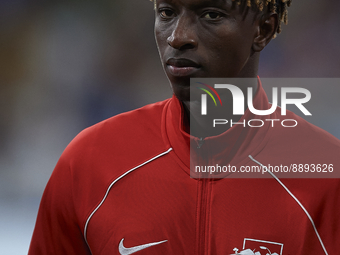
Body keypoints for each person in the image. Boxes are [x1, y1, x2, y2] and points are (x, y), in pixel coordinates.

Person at [29, 0, 340, 254]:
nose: (177, 37)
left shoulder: (327, 175)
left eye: (211, 15)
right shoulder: (89, 161)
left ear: (263, 29)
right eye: (167, 13)